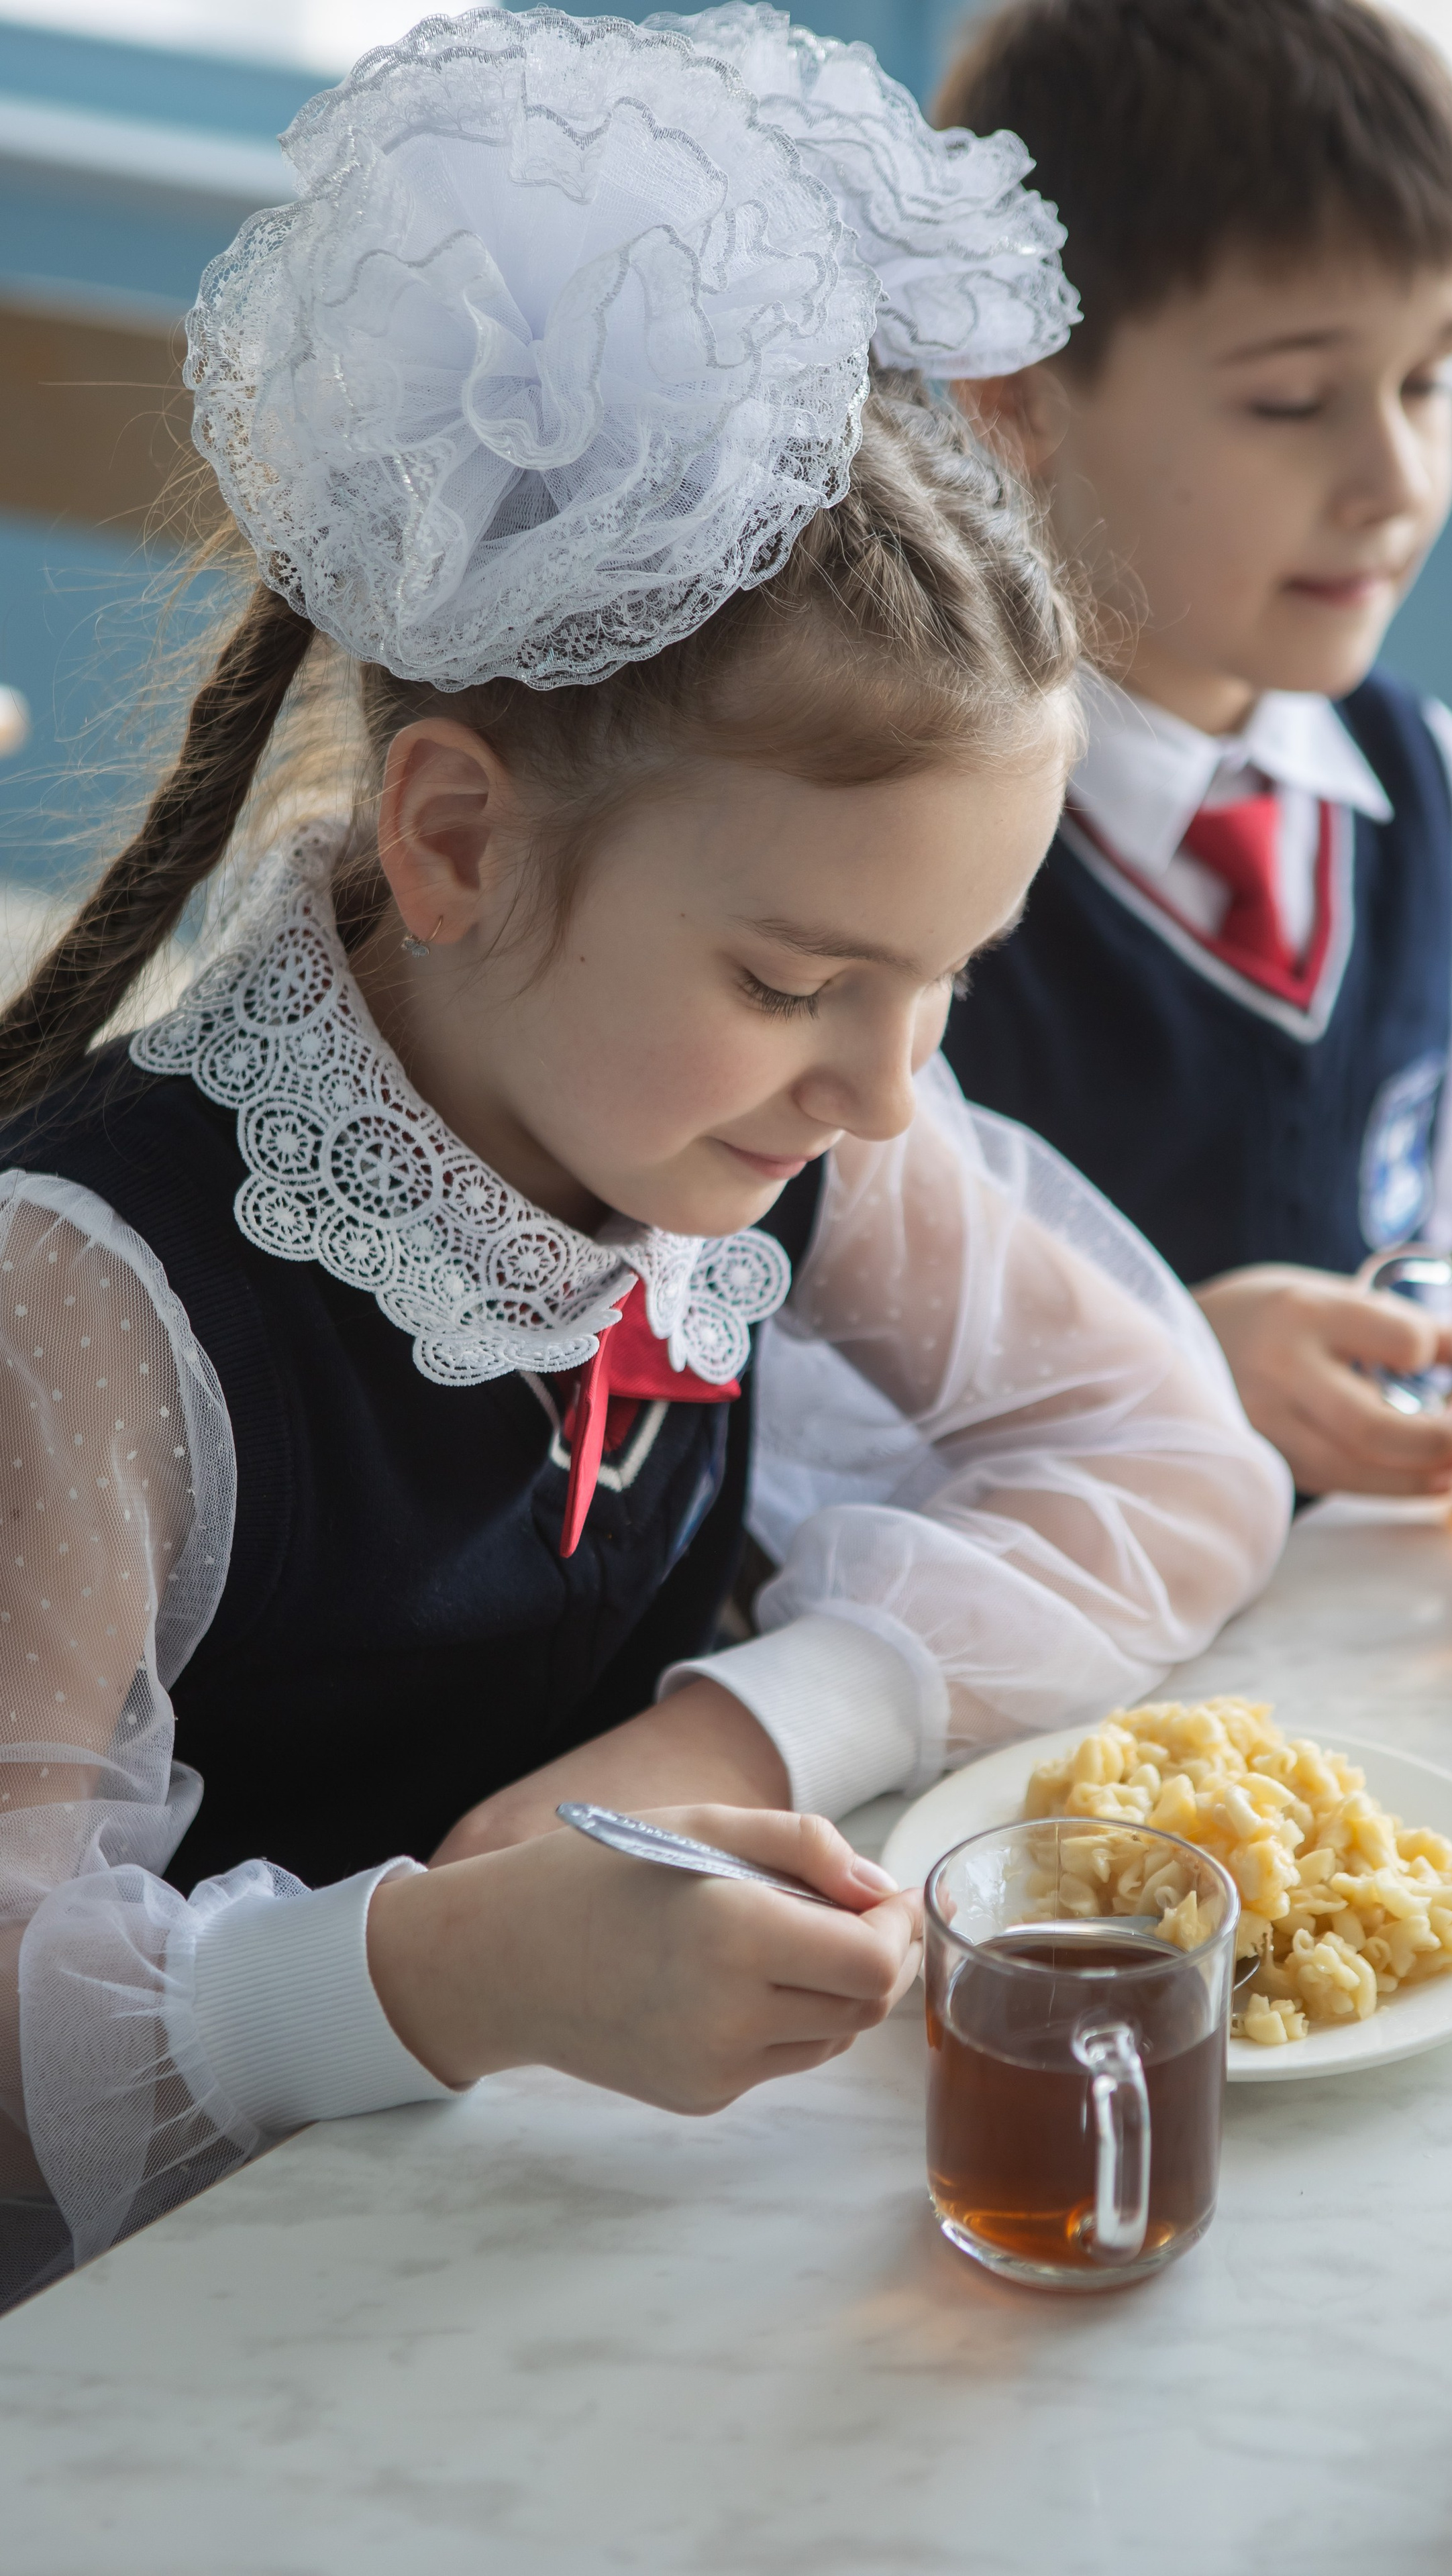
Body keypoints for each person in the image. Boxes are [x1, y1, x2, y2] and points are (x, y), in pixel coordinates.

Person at [0, 5, 1289, 2300]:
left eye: (952, 981)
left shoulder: (778, 1120)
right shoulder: (91, 1307)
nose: (890, 1090)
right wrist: (446, 1975)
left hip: (539, 2266)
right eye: (806, 982)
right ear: (461, 843)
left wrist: (751, 1725)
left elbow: (1166, 1453)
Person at [934, 0, 1452, 1499]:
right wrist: (1172, 1364)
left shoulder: (1436, 789)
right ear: (1014, 392)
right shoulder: (900, 847)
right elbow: (788, 1423)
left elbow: (1433, 1251)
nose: (1391, 478)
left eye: (1428, 380)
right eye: (1291, 401)